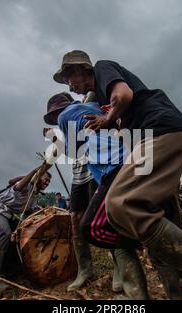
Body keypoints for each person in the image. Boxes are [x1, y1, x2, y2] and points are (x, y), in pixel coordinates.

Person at [53, 50, 182, 299]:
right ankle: (181, 290)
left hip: (159, 131)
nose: (70, 85)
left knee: (122, 203)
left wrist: (108, 118)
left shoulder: (103, 67)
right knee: (153, 216)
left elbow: (124, 95)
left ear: (81, 70)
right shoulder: (97, 99)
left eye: (69, 78)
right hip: (147, 141)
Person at [44, 92, 148, 299]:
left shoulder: (85, 112)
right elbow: (70, 153)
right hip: (78, 175)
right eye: (54, 116)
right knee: (76, 218)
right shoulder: (66, 126)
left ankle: (119, 269)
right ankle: (85, 269)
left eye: (56, 113)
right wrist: (56, 139)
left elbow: (86, 143)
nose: (57, 118)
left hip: (97, 171)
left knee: (107, 217)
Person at [0, 170, 51, 284]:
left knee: (23, 232)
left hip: (10, 216)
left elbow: (32, 210)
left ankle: (12, 267)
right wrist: (35, 172)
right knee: (6, 233)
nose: (47, 183)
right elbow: (17, 182)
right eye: (45, 179)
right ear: (38, 177)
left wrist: (46, 214)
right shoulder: (25, 185)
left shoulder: (35, 194)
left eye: (48, 182)